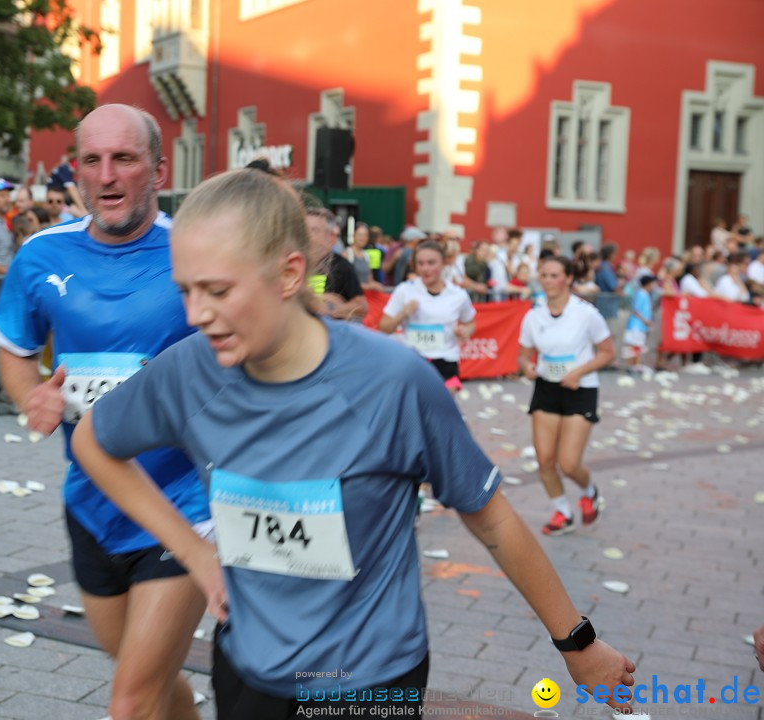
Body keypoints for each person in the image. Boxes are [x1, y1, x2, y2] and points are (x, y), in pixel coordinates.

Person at [70, 168, 637, 720]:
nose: (198, 314)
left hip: (368, 681)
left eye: (218, 290)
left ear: (290, 274)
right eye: (186, 291)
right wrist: (193, 551)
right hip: (248, 667)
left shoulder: (392, 381)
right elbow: (95, 442)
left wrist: (578, 644)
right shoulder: (190, 370)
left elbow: (491, 520)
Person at [0, 104, 210, 720]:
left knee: (131, 703)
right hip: (90, 502)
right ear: (78, 173)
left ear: (158, 170)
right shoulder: (40, 255)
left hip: (185, 503)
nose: (108, 176)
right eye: (92, 160)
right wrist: (31, 395)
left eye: (125, 159)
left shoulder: (195, 251)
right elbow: (16, 349)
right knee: (158, 686)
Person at [519, 256, 616, 536]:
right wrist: (527, 368)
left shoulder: (586, 314)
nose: (548, 281)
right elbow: (523, 357)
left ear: (569, 278)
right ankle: (562, 510)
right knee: (545, 460)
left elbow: (609, 353)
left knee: (569, 463)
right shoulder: (533, 315)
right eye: (544, 275)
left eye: (554, 275)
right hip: (547, 388)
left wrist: (579, 372)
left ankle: (589, 490)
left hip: (580, 389)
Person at [378, 240, 475, 392]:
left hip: (446, 361)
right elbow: (383, 327)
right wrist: (403, 314)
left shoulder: (458, 295)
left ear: (444, 263)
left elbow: (470, 323)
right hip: (412, 361)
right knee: (414, 412)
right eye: (420, 263)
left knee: (442, 412)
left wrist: (465, 331)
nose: (425, 269)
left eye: (431, 263)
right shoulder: (405, 290)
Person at [305, 207, 368, 321]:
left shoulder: (341, 265)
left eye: (314, 230)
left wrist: (334, 309)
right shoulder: (291, 263)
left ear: (329, 235)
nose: (307, 235)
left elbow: (362, 306)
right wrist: (314, 299)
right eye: (303, 229)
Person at [622, 275, 656, 372]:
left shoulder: (645, 294)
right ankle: (632, 365)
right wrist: (645, 321)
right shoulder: (641, 294)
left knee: (638, 346)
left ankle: (636, 364)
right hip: (636, 325)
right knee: (634, 345)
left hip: (641, 326)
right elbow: (636, 310)